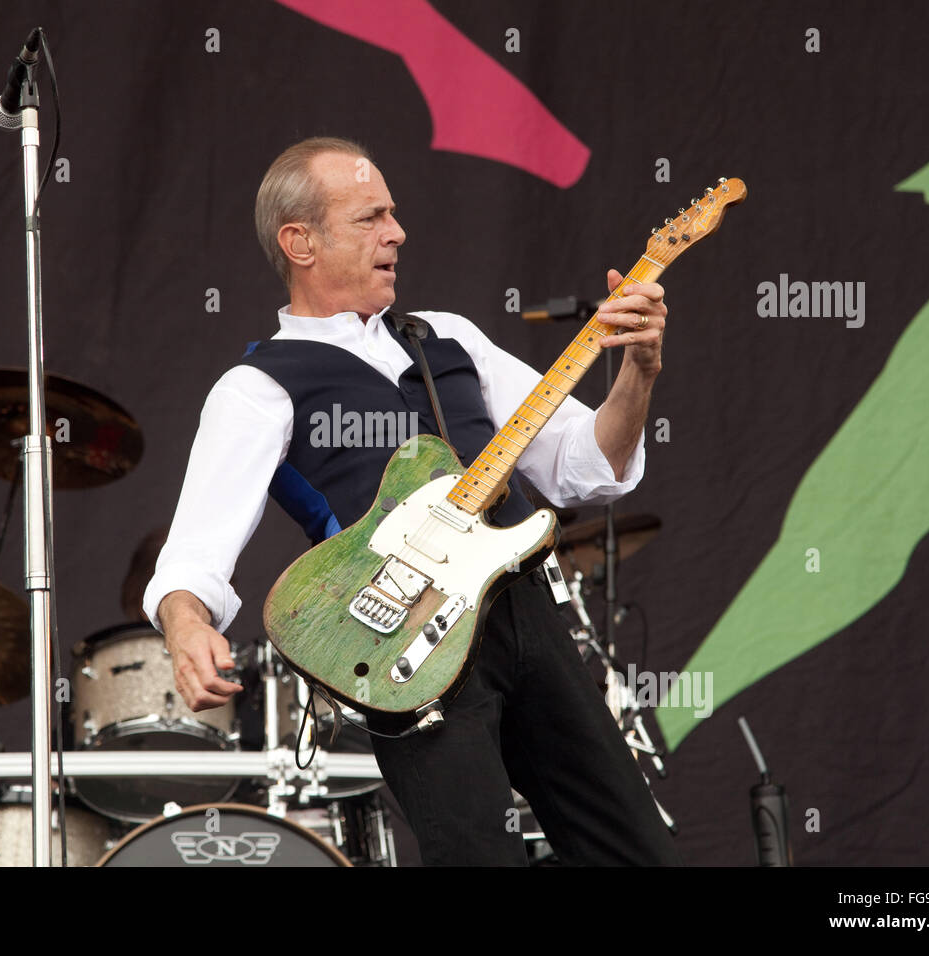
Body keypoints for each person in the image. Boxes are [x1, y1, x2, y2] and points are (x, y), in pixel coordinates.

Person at [143, 137, 680, 865]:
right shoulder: (257, 388)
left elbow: (589, 466)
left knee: (638, 849)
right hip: (409, 648)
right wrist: (185, 629)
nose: (397, 233)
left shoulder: (448, 337)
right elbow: (195, 552)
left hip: (525, 615)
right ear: (299, 242)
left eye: (393, 214)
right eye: (370, 218)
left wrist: (637, 372)